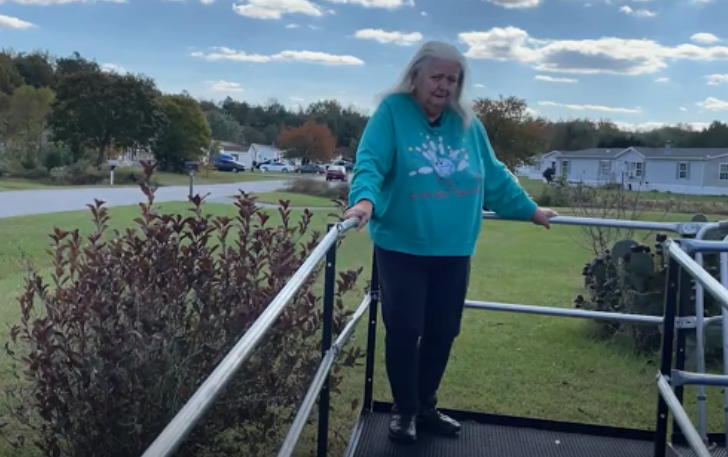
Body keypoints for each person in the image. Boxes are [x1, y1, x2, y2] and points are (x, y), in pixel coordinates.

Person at [342, 40, 557, 445]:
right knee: (404, 329)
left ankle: (425, 405)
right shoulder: (392, 112)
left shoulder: (468, 123)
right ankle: (404, 410)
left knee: (443, 331)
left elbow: (493, 175)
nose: (444, 86)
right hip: (402, 246)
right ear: (416, 76)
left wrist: (531, 210)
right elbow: (371, 162)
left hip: (454, 248)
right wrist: (364, 201)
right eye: (436, 77)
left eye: (452, 79)